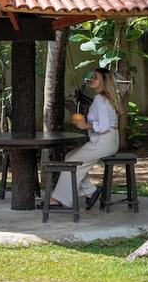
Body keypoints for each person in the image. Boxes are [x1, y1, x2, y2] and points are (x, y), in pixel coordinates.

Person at [49, 68, 121, 208]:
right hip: (108, 140)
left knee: (72, 162)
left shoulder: (101, 99)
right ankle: (90, 191)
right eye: (92, 77)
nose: (92, 80)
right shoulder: (104, 98)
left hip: (104, 141)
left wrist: (86, 125)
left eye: (96, 78)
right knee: (70, 157)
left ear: (103, 82)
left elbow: (104, 125)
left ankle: (59, 199)